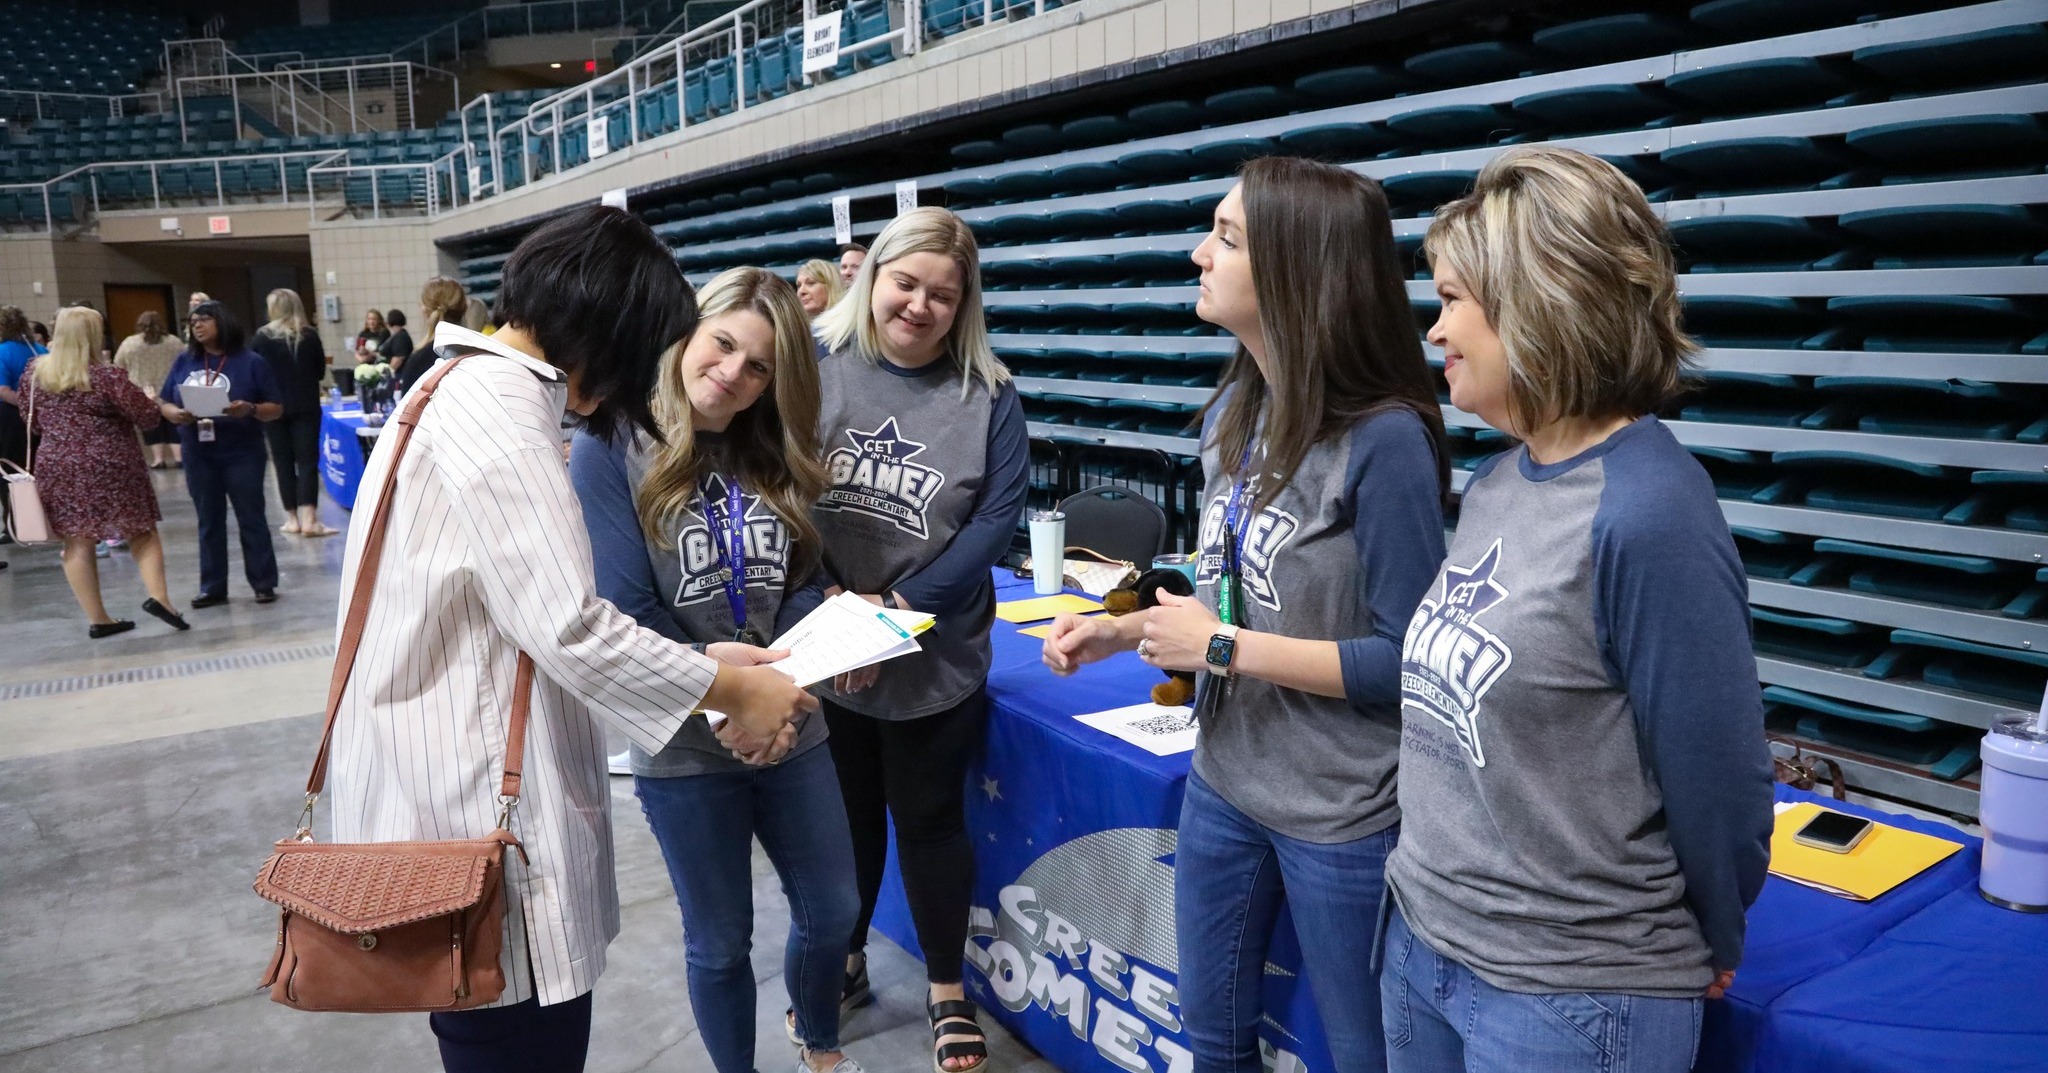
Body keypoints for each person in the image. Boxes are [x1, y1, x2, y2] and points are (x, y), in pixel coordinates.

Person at [325, 204, 818, 1073]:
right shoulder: (502, 411)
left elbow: (518, 609)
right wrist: (733, 691)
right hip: (474, 800)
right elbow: (570, 626)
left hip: (453, 775)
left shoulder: (451, 385)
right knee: (517, 1037)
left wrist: (699, 665)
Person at [1040, 157, 1449, 1073]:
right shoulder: (1235, 410)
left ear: (1302, 269)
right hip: (1226, 777)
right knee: (1211, 1034)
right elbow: (1235, 570)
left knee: (1361, 1053)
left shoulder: (1384, 440)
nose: (1199, 253)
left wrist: (1219, 644)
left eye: (1226, 238)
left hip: (1342, 812)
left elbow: (1411, 660)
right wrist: (1126, 622)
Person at [1378, 147, 1775, 1073]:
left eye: (1452, 301)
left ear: (1538, 300)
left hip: (1569, 993)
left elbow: (1720, 782)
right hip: (1425, 942)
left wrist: (1714, 930)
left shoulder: (1651, 509)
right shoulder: (1495, 478)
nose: (1434, 331)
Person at [569, 267, 865, 1073]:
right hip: (684, 743)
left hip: (793, 722)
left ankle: (821, 1044)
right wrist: (730, 708)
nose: (733, 373)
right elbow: (628, 611)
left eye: (759, 365)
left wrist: (790, 695)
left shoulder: (773, 452)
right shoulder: (609, 450)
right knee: (721, 938)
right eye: (723, 343)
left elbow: (800, 587)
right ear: (688, 334)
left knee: (833, 907)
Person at [810, 206, 1028, 1073]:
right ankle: (850, 954)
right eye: (906, 283)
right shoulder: (815, 368)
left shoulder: (991, 395)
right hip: (828, 644)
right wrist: (834, 611)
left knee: (931, 820)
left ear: (964, 304)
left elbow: (994, 523)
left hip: (935, 652)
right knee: (848, 820)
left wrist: (891, 613)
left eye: (943, 294)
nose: (919, 306)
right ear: (872, 276)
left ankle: (946, 988)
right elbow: (776, 489)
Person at [20, 307, 190, 636]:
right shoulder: (106, 376)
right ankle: (160, 599)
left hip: (57, 464)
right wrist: (149, 399)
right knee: (140, 530)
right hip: (111, 464)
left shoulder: (34, 373)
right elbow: (148, 419)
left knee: (76, 541)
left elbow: (31, 421)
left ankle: (99, 619)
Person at [157, 300, 283, 607]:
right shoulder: (184, 361)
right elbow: (164, 401)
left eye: (203, 319)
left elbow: (276, 408)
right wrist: (175, 414)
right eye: (192, 321)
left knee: (251, 517)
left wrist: (250, 408)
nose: (196, 325)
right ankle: (212, 587)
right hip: (198, 451)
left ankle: (263, 582)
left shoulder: (250, 361)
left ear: (222, 322)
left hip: (241, 451)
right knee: (208, 520)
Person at [252, 288, 337, 538]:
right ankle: (310, 518)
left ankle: (292, 519)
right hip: (306, 406)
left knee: (282, 462)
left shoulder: (261, 338)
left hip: (272, 407)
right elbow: (321, 371)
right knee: (308, 461)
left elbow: (255, 373)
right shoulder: (308, 336)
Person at [0, 305, 47, 549]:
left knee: (10, 471)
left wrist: (26, 405)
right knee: (36, 467)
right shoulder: (39, 350)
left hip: (9, 419)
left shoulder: (2, 352)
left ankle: (16, 523)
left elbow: (4, 391)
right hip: (41, 419)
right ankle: (45, 517)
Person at [115, 311, 185, 469]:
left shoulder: (130, 343)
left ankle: (158, 459)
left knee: (152, 424)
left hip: (143, 389)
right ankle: (179, 457)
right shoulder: (174, 341)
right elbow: (184, 361)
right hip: (170, 387)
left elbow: (119, 364)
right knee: (174, 421)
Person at [396, 277, 468, 392]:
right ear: (465, 307)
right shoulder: (482, 352)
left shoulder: (418, 360)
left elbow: (407, 408)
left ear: (424, 309)